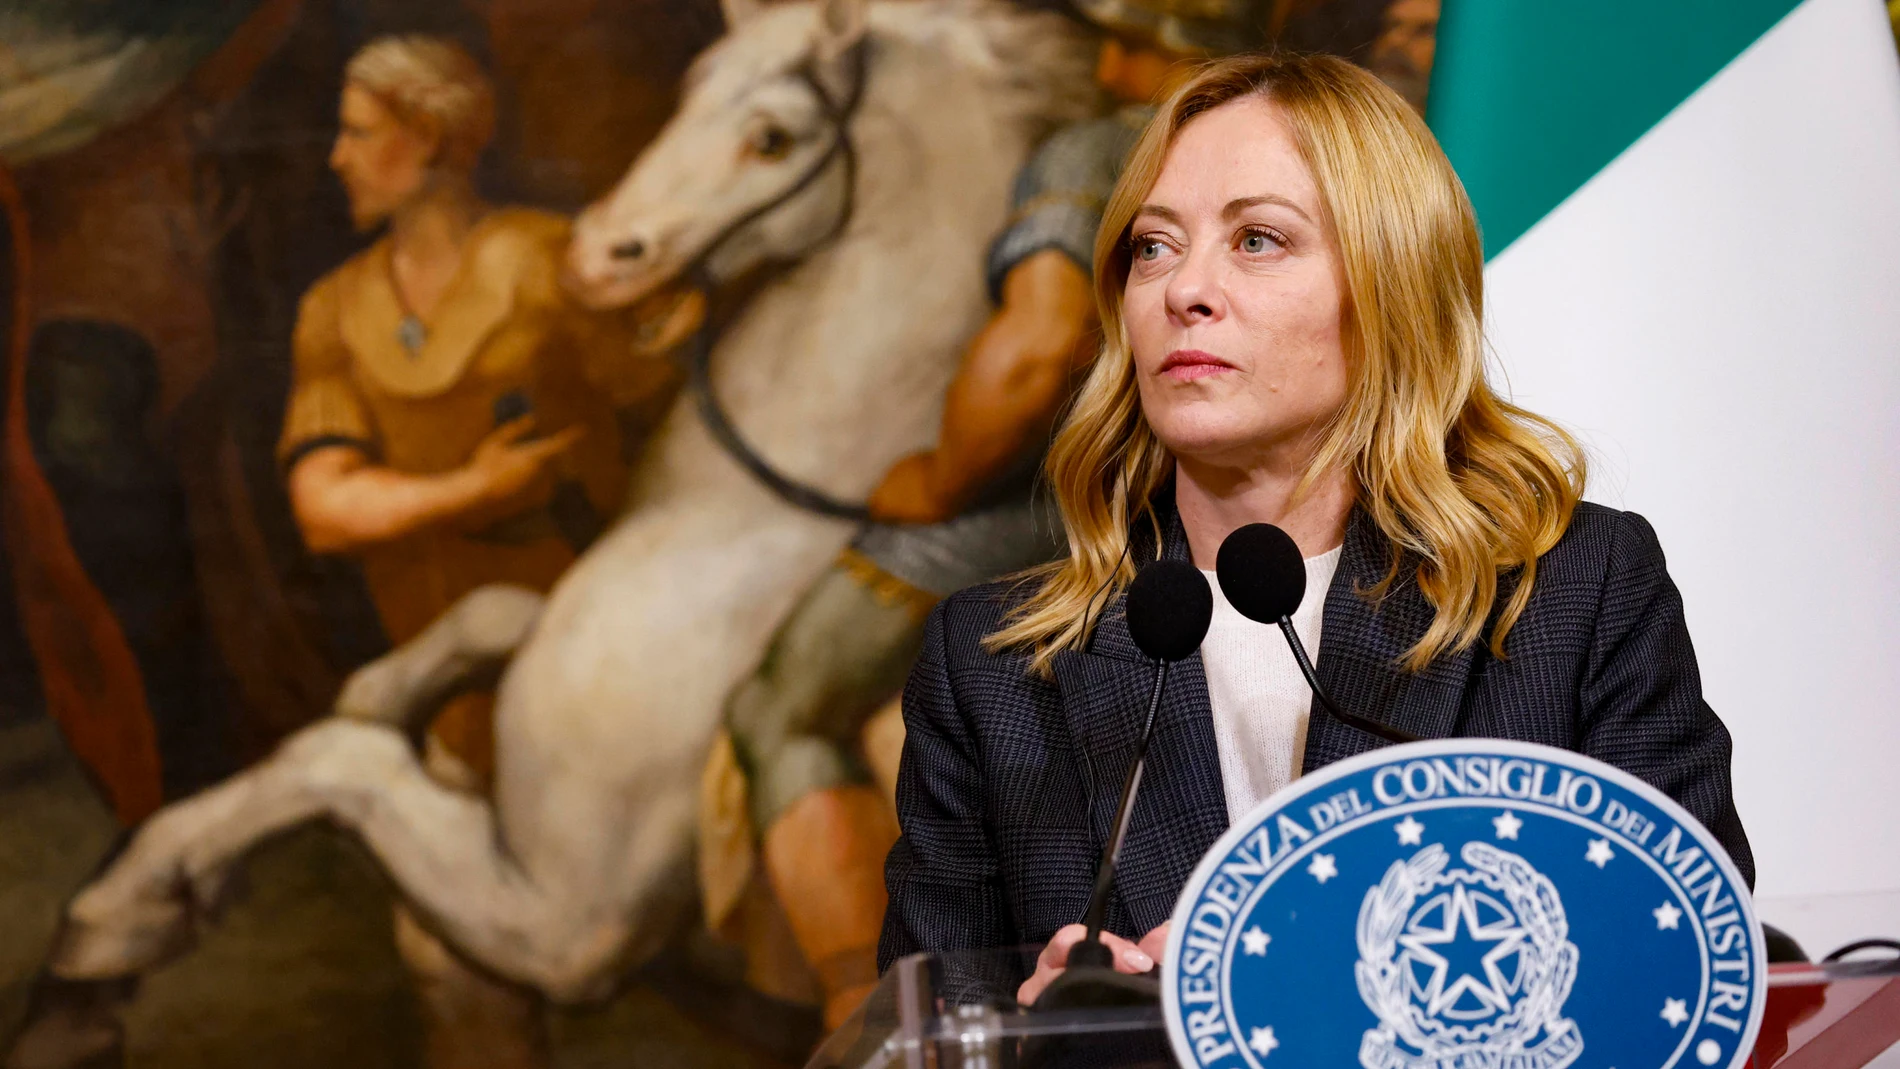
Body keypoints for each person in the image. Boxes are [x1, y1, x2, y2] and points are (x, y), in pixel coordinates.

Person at [877, 53, 1754, 1006]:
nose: (1183, 290)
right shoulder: (994, 664)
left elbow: (1678, 974)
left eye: (1257, 239)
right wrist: (1037, 1040)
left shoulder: (1575, 595)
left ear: (1391, 285)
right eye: (1153, 247)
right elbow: (925, 1031)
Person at [708, 0, 1280, 1032]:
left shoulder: (1098, 151)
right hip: (1153, 530)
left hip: (1047, 513)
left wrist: (936, 479)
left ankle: (853, 1005)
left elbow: (1033, 351)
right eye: (1156, 251)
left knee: (777, 707)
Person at [278, 36, 687, 1069]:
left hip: (592, 667)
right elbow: (324, 507)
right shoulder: (335, 309)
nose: (336, 156)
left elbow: (670, 412)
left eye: (358, 133)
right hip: (443, 687)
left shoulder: (551, 262)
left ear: (429, 139)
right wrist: (475, 489)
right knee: (448, 964)